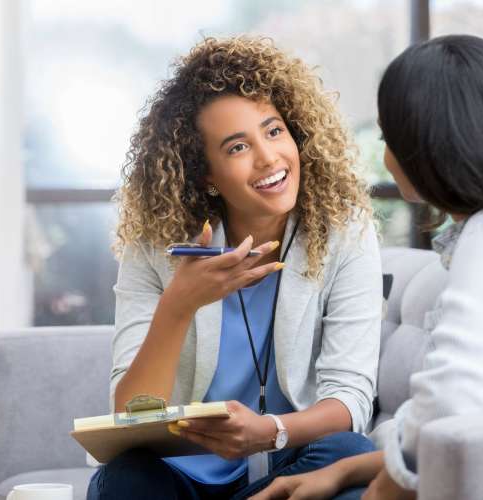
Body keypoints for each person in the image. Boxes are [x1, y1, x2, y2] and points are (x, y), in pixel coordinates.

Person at [252, 34, 483, 500]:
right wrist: (346, 472)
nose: (386, 158)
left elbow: (450, 404)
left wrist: (378, 492)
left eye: (389, 139)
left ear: (432, 148)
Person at [86, 37, 383, 500]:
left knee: (347, 452)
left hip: (287, 465)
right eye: (238, 146)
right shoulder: (155, 247)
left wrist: (271, 431)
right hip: (182, 477)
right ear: (205, 174)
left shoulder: (345, 234)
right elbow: (129, 414)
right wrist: (178, 305)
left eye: (274, 131)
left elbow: (349, 400)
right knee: (124, 479)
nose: (268, 158)